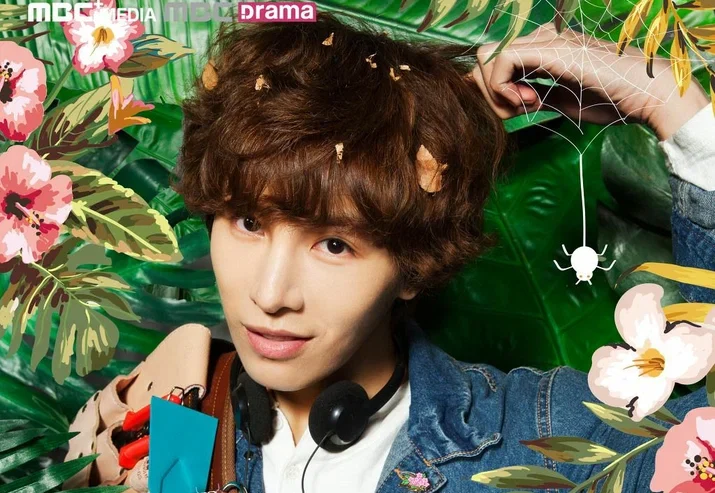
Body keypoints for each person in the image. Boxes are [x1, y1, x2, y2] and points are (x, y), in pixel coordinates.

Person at [169, 11, 715, 493]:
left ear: (414, 265)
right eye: (248, 223)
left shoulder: (543, 438)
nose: (270, 295)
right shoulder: (171, 408)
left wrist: (673, 107)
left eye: (334, 244)